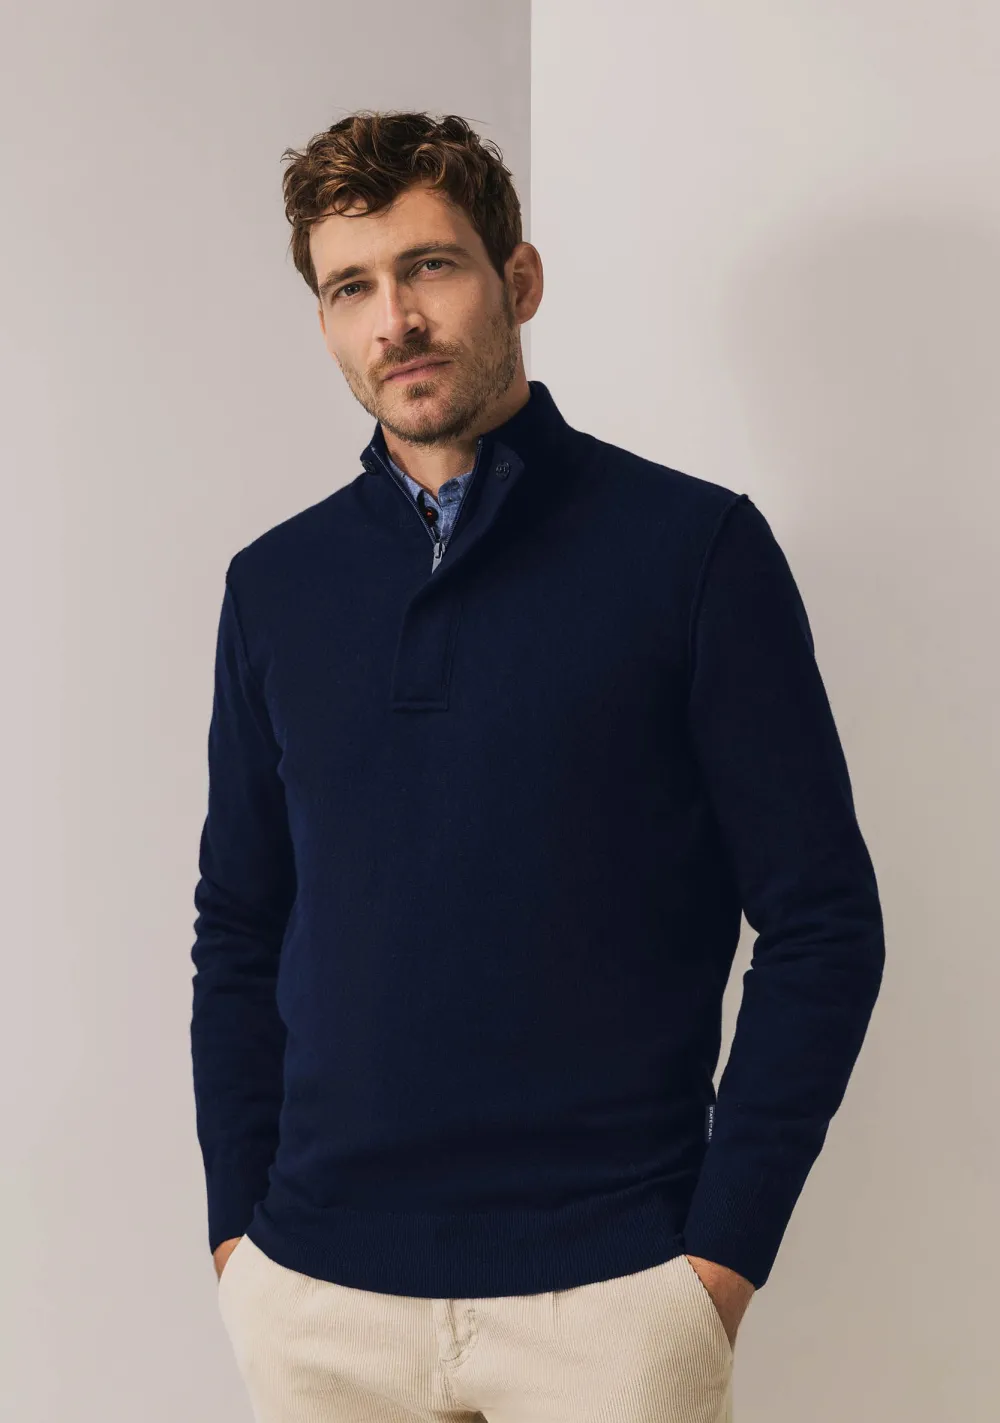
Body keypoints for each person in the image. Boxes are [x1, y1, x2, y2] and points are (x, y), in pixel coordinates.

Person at [190, 110, 884, 1423]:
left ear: (518, 279)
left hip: (609, 1300)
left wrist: (715, 1268)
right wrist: (241, 1239)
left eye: (430, 266)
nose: (396, 319)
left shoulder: (694, 552)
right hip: (319, 1303)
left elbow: (822, 921)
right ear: (326, 322)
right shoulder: (274, 587)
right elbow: (238, 922)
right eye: (351, 287)